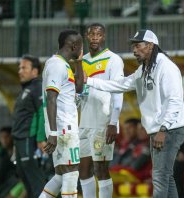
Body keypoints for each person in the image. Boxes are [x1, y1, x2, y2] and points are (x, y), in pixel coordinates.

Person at [85, 29, 184, 198]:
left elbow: (175, 100)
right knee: (165, 177)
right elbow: (120, 85)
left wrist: (163, 129)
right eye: (133, 45)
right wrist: (88, 81)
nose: (134, 50)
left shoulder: (166, 66)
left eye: (138, 45)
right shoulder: (143, 69)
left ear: (150, 46)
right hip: (158, 129)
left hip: (170, 128)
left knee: (160, 177)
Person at [78, 23, 124, 198]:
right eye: (92, 34)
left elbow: (118, 91)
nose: (95, 37)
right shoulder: (82, 61)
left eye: (98, 34)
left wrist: (113, 122)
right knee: (83, 169)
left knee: (101, 168)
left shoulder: (113, 59)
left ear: (104, 37)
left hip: (103, 122)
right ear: (86, 36)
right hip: (84, 122)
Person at [39, 30, 84, 198]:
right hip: (64, 128)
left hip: (61, 128)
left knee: (60, 175)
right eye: (80, 45)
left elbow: (79, 88)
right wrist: (53, 133)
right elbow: (51, 98)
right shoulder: (57, 65)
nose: (82, 49)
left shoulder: (63, 64)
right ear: (74, 45)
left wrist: (79, 62)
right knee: (72, 172)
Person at [11, 54, 46, 197]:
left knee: (36, 181)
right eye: (19, 67)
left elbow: (42, 113)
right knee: (25, 178)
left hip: (29, 139)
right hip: (19, 140)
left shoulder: (37, 87)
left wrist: (40, 138)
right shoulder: (26, 89)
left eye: (24, 67)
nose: (20, 71)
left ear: (35, 71)